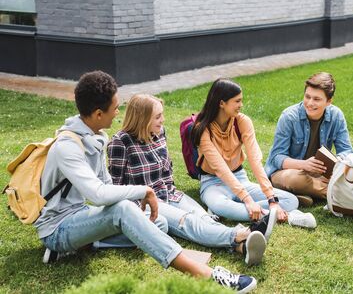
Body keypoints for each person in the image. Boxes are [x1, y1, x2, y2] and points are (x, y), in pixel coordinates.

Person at [35, 71, 257, 293]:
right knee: (123, 210)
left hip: (80, 216)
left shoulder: (95, 137)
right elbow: (98, 194)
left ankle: (87, 243)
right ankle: (207, 275)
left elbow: (107, 184)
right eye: (115, 107)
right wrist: (144, 191)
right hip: (58, 228)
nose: (118, 112)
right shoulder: (68, 146)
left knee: (157, 223)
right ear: (98, 113)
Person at [106, 94, 268, 266]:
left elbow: (166, 173)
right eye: (158, 116)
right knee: (188, 222)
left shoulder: (159, 134)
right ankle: (240, 234)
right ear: (142, 118)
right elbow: (116, 188)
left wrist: (172, 196)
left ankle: (242, 248)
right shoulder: (120, 142)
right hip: (144, 202)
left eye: (162, 115)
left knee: (204, 218)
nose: (163, 120)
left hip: (169, 193)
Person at [191, 78, 316, 229]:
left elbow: (255, 160)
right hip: (213, 182)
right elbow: (220, 168)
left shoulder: (242, 122)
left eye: (241, 100)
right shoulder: (202, 129)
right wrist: (248, 200)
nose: (241, 105)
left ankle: (245, 208)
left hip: (240, 178)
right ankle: (287, 216)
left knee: (291, 200)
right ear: (221, 103)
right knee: (221, 205)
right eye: (237, 101)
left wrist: (272, 199)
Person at [264, 72, 353, 207]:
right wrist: (303, 164)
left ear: (329, 101)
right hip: (287, 172)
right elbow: (276, 157)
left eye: (317, 99)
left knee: (349, 172)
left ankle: (302, 194)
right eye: (307, 97)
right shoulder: (289, 116)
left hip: (318, 174)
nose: (310, 103)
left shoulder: (336, 115)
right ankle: (337, 194)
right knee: (296, 180)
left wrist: (337, 162)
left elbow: (347, 150)